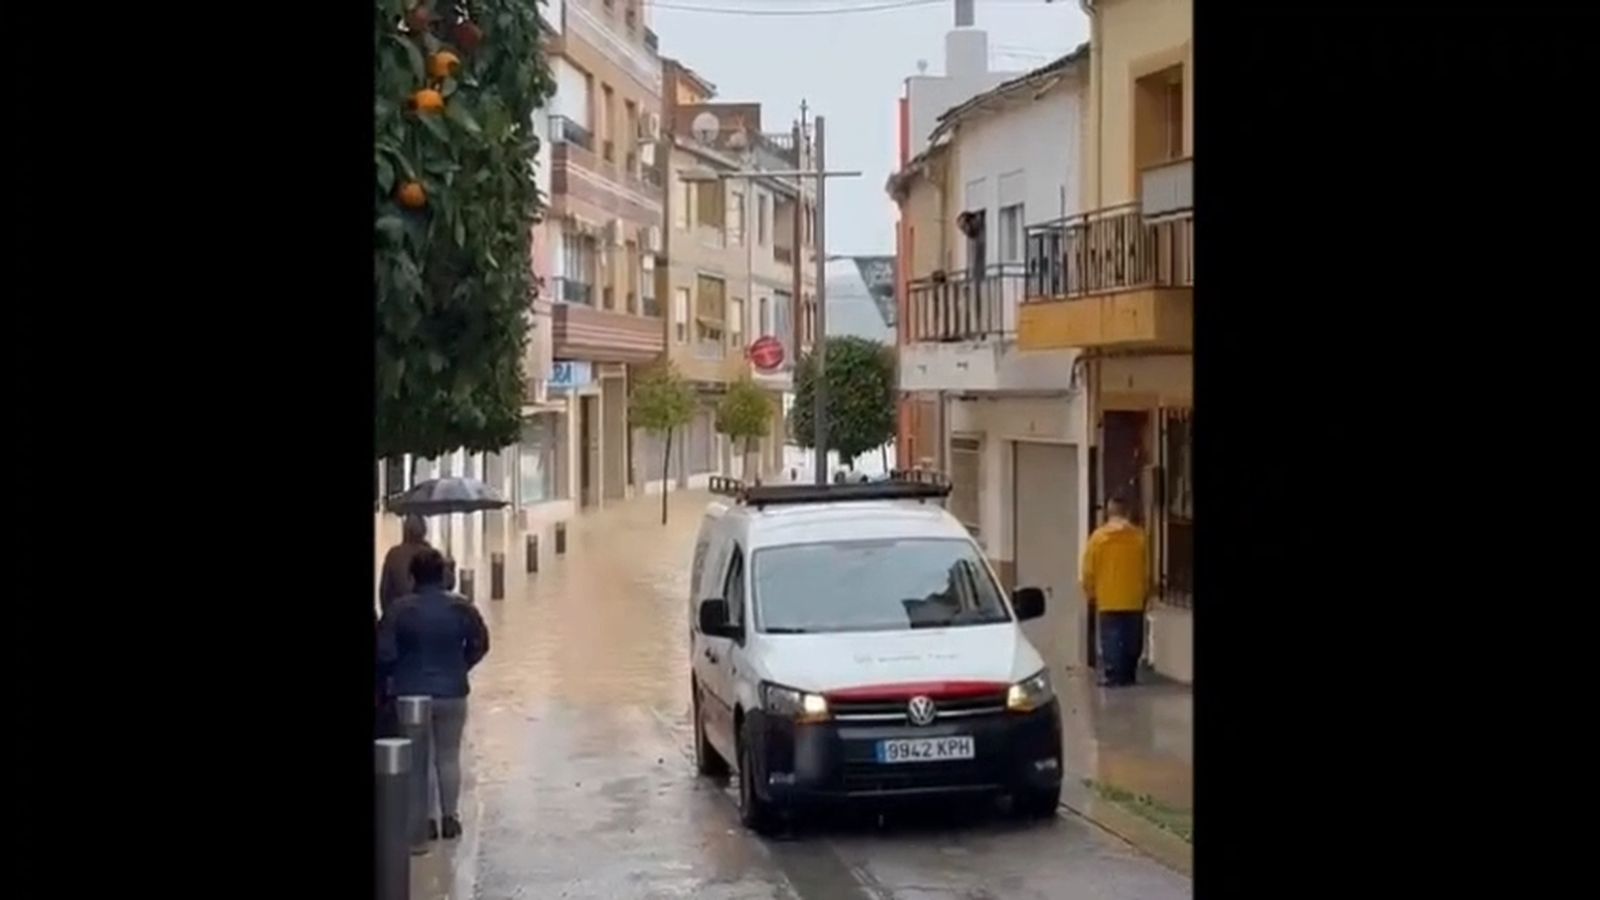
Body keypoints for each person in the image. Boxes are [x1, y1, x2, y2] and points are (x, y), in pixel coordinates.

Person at [377, 548, 490, 841]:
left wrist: (396, 675)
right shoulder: (462, 607)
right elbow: (480, 644)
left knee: (420, 760)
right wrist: (461, 666)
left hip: (410, 694)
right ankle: (450, 818)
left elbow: (384, 652)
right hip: (453, 692)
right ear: (443, 575)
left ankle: (424, 821)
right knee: (449, 755)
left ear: (413, 577)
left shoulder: (399, 610)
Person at [1080, 496, 1149, 687]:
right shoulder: (1139, 537)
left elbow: (1088, 570)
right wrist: (1146, 592)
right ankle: (1129, 674)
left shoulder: (1098, 538)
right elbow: (1147, 569)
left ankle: (1113, 675)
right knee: (1132, 638)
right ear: (1127, 512)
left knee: (1111, 639)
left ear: (1109, 513)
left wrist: (1090, 593)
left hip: (1108, 598)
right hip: (1133, 598)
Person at [378, 515, 431, 614]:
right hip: (425, 613)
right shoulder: (430, 554)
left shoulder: (394, 554)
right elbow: (444, 584)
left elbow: (384, 591)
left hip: (398, 613)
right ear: (424, 531)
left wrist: (388, 614)